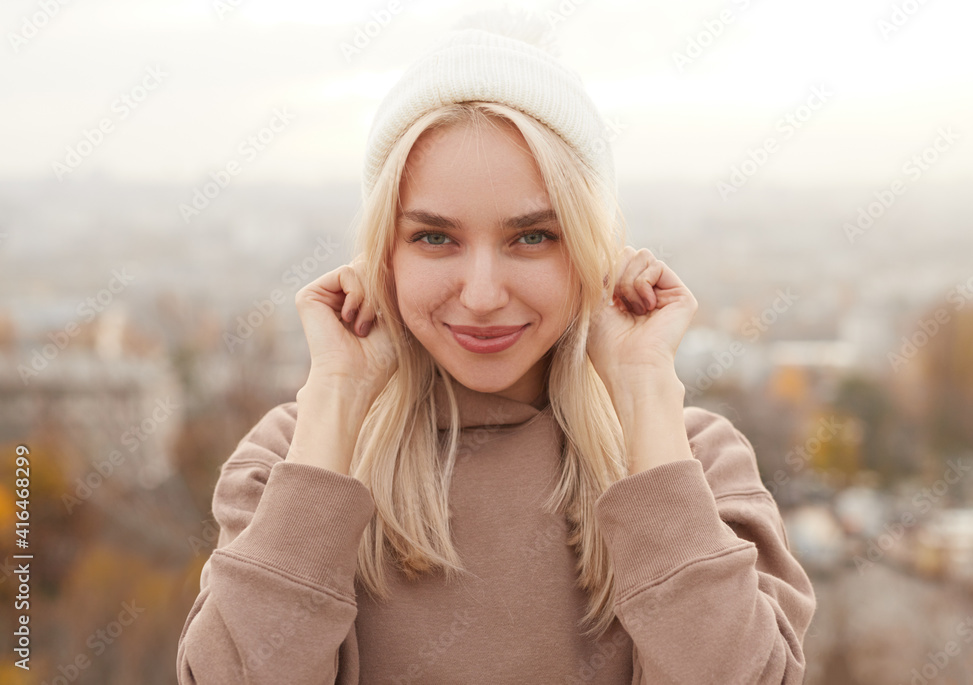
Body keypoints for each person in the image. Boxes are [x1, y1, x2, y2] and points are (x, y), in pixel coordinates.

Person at [176, 12, 816, 684]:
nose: (481, 294)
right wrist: (335, 398)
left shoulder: (698, 466)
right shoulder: (289, 461)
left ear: (591, 251)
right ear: (382, 257)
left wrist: (642, 390)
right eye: (434, 237)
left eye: (532, 236)